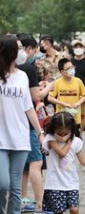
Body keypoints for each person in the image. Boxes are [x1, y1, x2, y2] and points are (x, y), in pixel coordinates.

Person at [0, 35, 46, 214]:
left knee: (16, 188)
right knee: (3, 185)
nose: (22, 51)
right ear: (9, 51)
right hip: (1, 139)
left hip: (20, 137)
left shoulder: (23, 77)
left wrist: (40, 132)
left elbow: (28, 107)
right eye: (18, 48)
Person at [17, 35, 53, 213]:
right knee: (36, 163)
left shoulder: (8, 69)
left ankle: (22, 200)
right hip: (29, 123)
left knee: (23, 167)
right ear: (28, 49)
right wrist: (49, 87)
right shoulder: (28, 69)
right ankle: (40, 204)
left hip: (14, 123)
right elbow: (35, 97)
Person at [42, 111, 85, 214]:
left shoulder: (77, 141)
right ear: (53, 129)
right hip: (54, 184)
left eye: (66, 133)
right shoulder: (50, 139)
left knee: (74, 209)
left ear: (71, 130)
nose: (63, 136)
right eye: (59, 133)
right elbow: (62, 153)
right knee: (58, 211)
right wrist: (69, 141)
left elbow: (83, 160)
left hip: (71, 183)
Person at [48, 58, 85, 138]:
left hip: (75, 118)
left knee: (75, 141)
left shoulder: (78, 81)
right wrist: (63, 103)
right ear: (62, 72)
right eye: (68, 69)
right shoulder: (57, 82)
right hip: (61, 119)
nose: (71, 70)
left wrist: (78, 103)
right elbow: (50, 97)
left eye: (72, 67)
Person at [70, 40, 85, 134]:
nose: (78, 49)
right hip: (71, 92)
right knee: (72, 113)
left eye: (80, 46)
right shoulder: (70, 62)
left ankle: (80, 134)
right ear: (73, 49)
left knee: (83, 114)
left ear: (84, 48)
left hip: (84, 92)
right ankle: (72, 133)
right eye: (76, 47)